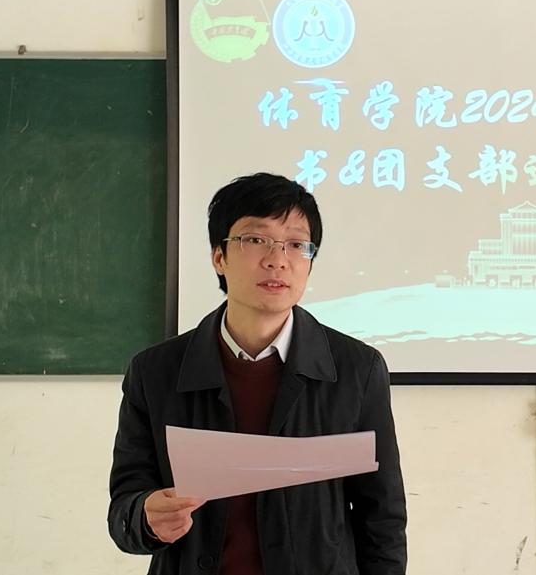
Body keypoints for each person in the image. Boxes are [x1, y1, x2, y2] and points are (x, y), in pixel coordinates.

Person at [108, 173, 406, 575]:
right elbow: (124, 508)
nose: (277, 259)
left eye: (296, 244)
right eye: (255, 239)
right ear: (219, 257)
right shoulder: (155, 372)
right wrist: (145, 517)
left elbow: (382, 518)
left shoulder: (356, 369)